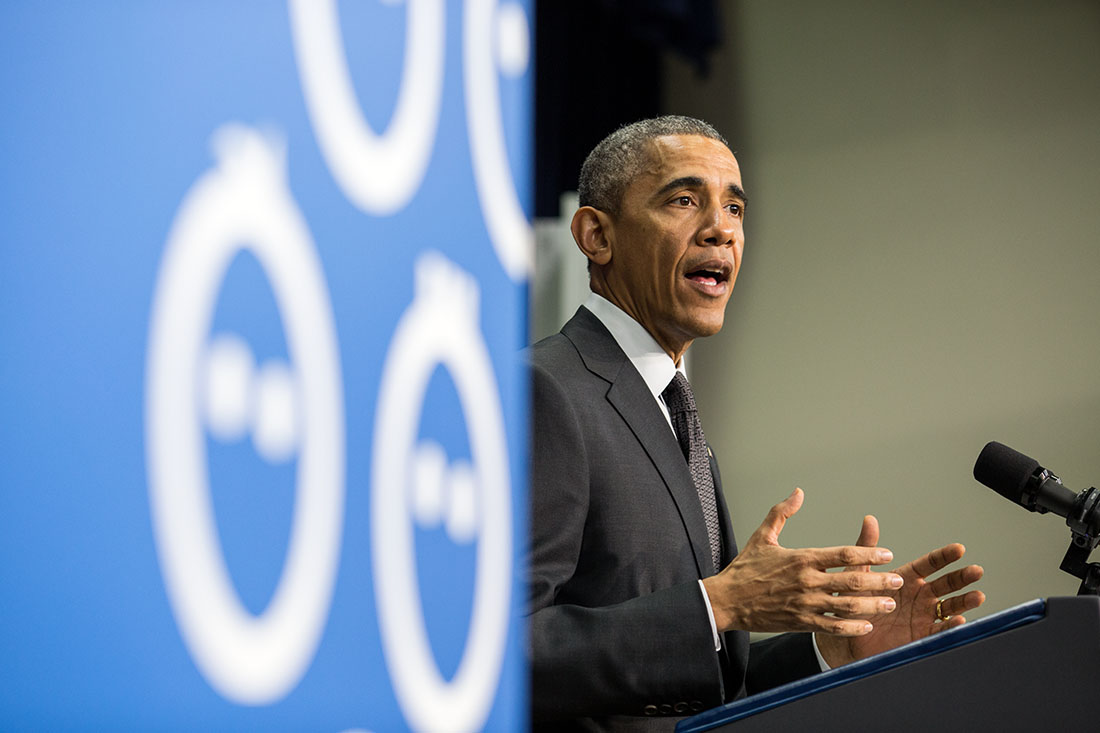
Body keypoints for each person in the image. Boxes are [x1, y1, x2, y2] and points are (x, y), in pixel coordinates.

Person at [526, 116, 986, 731]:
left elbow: (704, 683)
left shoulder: (667, 408)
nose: (721, 229)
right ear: (596, 235)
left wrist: (834, 650)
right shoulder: (545, 390)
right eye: (684, 200)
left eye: (735, 208)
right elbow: (500, 651)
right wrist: (720, 603)